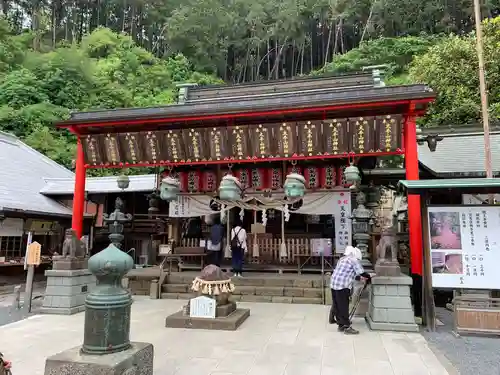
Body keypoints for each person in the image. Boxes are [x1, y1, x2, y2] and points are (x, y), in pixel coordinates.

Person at [330, 246, 371, 334]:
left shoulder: (342, 259)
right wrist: (369, 277)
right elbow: (362, 273)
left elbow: (349, 273)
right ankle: (346, 327)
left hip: (334, 284)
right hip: (342, 286)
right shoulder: (354, 260)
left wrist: (361, 279)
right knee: (343, 306)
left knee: (337, 305)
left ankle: (341, 325)